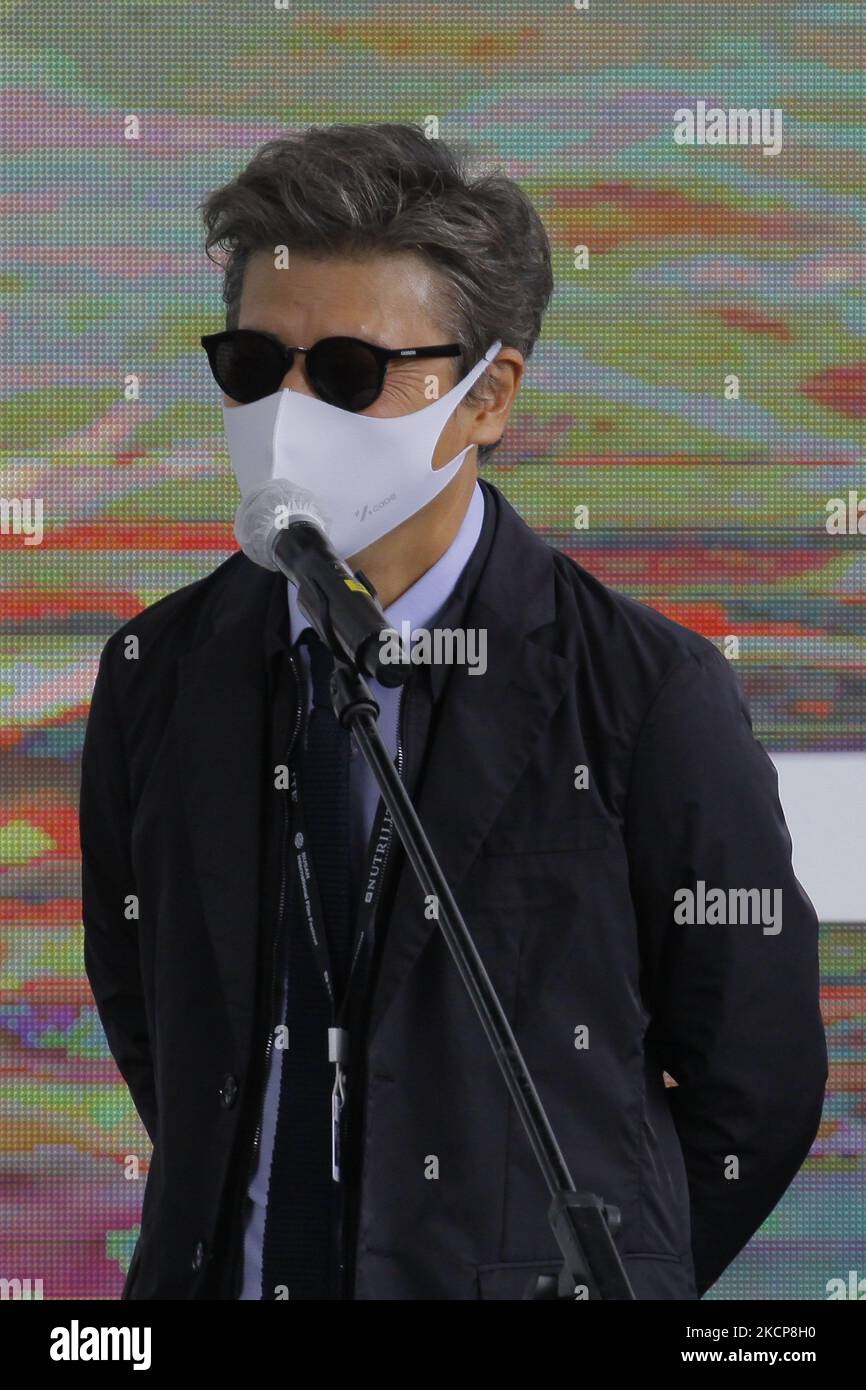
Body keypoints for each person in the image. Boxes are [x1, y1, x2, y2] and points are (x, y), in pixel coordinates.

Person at [80, 121, 827, 1301]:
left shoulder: (646, 693)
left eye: (344, 374)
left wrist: (579, 1274)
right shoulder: (157, 668)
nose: (284, 411)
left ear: (488, 397)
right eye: (249, 364)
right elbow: (150, 1009)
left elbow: (756, 1078)